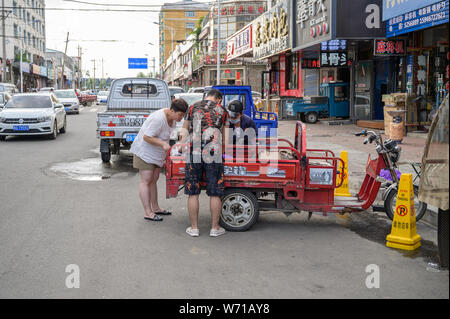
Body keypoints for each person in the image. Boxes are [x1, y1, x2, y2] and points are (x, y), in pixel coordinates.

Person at [180, 89, 229, 237]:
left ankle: (194, 228)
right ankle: (215, 228)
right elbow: (225, 136)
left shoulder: (193, 106)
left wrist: (182, 146)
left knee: (193, 192)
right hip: (213, 152)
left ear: (206, 96)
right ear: (219, 99)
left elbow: (184, 130)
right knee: (215, 192)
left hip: (193, 151)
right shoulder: (222, 110)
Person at [130, 99, 188, 222]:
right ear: (172, 110)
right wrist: (162, 143)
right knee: (146, 181)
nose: (181, 118)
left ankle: (156, 208)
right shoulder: (158, 118)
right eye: (180, 115)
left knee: (153, 180)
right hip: (144, 152)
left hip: (157, 154)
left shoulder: (172, 119)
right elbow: (146, 137)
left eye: (183, 115)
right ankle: (148, 212)